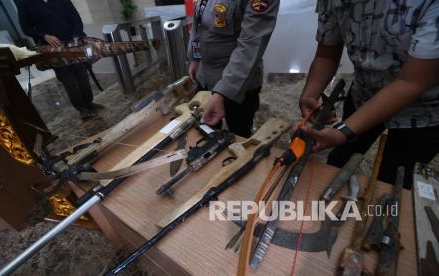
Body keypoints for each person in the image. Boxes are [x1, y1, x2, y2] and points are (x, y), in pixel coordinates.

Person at [299, 0, 439, 188]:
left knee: (391, 183)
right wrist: (310, 94)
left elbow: (412, 81)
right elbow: (326, 55)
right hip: (364, 94)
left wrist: (342, 132)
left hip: (422, 112)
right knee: (339, 161)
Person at [188, 0, 280, 137]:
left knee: (239, 134)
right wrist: (195, 57)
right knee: (204, 133)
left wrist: (223, 92)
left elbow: (251, 45)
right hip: (205, 74)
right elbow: (199, 20)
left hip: (238, 82)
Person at [17, 0, 104, 119]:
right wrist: (44, 36)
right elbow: (26, 29)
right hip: (53, 50)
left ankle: (89, 103)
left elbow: (76, 19)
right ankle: (82, 109)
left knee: (82, 75)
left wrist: (76, 36)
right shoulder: (25, 3)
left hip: (72, 45)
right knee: (68, 80)